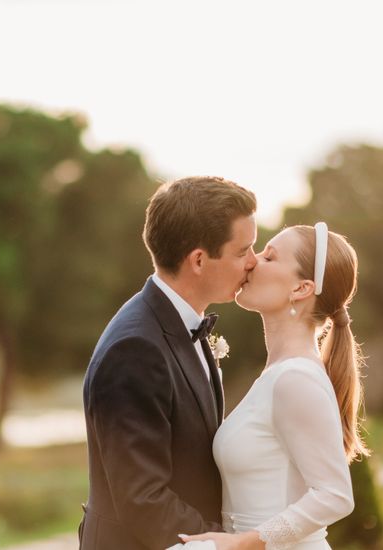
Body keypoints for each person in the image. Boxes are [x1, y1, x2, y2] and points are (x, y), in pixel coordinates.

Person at [79, 176, 258, 550]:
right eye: (243, 251)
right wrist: (230, 543)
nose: (253, 263)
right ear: (198, 260)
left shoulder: (178, 323)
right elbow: (143, 499)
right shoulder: (134, 349)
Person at [176, 222, 367, 550]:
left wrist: (244, 543)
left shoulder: (296, 380)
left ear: (301, 289)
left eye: (269, 256)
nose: (251, 261)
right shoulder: (278, 375)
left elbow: (336, 496)